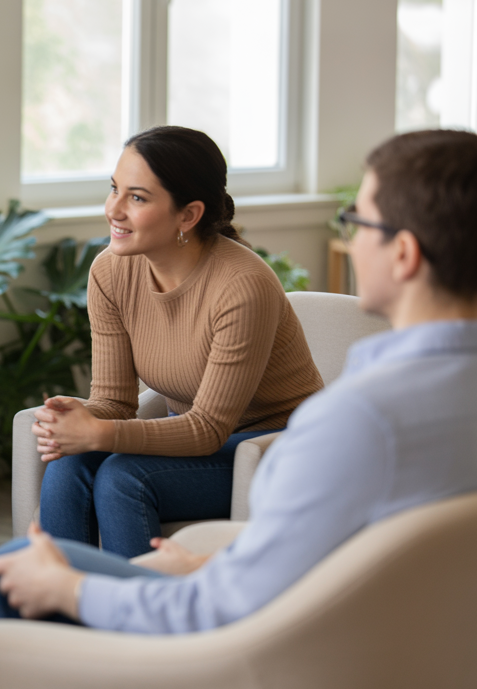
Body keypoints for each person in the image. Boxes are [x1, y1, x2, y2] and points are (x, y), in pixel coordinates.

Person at [0, 127, 477, 689]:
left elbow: (225, 599)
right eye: (115, 190)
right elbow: (349, 552)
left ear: (402, 252)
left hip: (238, 639)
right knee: (80, 465)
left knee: (7, 568)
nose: (114, 208)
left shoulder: (352, 421)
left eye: (355, 218)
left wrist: (73, 588)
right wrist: (227, 547)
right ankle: (70, 657)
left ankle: (103, 665)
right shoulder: (432, 402)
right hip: (349, 648)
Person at [32, 126, 323, 558]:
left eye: (137, 198)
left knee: (122, 478)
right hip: (197, 442)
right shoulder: (110, 272)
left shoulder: (242, 286)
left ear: (188, 216)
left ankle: (138, 617)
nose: (114, 209)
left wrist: (99, 431)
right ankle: (62, 613)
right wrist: (78, 419)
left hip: (275, 449)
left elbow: (207, 428)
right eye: (114, 189)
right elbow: (114, 401)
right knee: (68, 459)